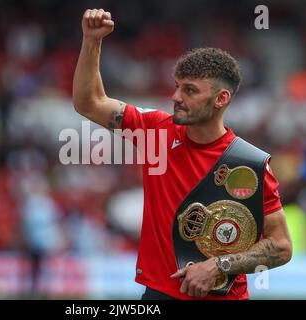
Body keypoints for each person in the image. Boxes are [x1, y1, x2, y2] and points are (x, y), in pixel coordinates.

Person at [72, 8, 293, 300]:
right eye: (177, 87)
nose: (176, 97)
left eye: (189, 90)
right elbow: (89, 102)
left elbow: (281, 246)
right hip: (158, 296)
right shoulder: (156, 132)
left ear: (221, 99)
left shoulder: (250, 164)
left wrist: (219, 265)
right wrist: (92, 40)